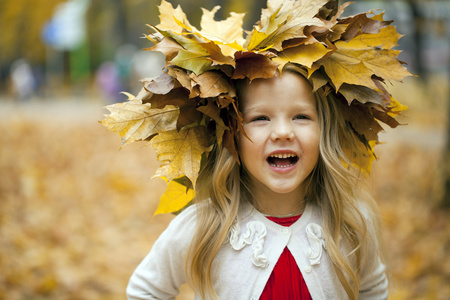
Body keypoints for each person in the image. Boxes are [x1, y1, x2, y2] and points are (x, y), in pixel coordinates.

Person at [100, 0, 411, 299]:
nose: (283, 132)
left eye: (301, 117)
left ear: (324, 131)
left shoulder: (353, 223)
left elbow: (372, 290)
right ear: (232, 134)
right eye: (260, 118)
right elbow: (145, 291)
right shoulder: (205, 225)